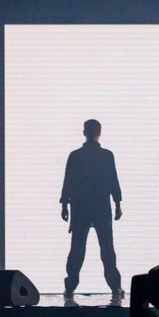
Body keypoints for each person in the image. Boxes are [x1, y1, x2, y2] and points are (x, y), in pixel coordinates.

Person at [60, 119, 123, 305]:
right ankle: (115, 287)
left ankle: (70, 288)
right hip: (101, 207)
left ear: (84, 133)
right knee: (107, 248)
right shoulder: (107, 156)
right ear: (99, 133)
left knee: (77, 248)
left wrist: (64, 205)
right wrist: (117, 203)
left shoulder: (75, 156)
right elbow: (113, 180)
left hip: (80, 207)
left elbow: (68, 181)